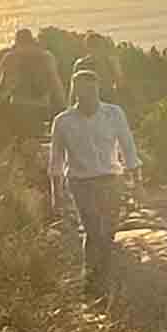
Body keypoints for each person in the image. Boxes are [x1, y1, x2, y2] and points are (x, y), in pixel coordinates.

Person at [48, 66, 141, 296]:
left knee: (108, 232)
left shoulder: (114, 113)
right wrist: (56, 194)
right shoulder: (63, 121)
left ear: (98, 90)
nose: (90, 97)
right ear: (76, 92)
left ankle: (106, 278)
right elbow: (56, 161)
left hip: (112, 180)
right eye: (84, 92)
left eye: (93, 91)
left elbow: (128, 147)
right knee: (92, 231)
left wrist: (137, 183)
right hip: (82, 183)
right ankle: (90, 280)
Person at [0, 28, 67, 139]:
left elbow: (2, 83)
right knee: (37, 138)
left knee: (19, 140)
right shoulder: (46, 57)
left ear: (17, 41)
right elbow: (55, 83)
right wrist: (63, 106)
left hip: (17, 106)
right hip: (42, 106)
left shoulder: (10, 57)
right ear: (31, 40)